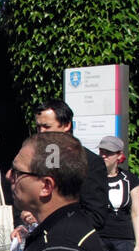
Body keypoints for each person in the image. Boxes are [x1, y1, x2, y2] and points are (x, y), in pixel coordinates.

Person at [33, 99, 108, 234]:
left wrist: (51, 219)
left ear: (66, 125)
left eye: (47, 127)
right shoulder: (40, 159)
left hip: (72, 245)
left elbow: (96, 216)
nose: (41, 132)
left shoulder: (89, 162)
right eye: (38, 127)